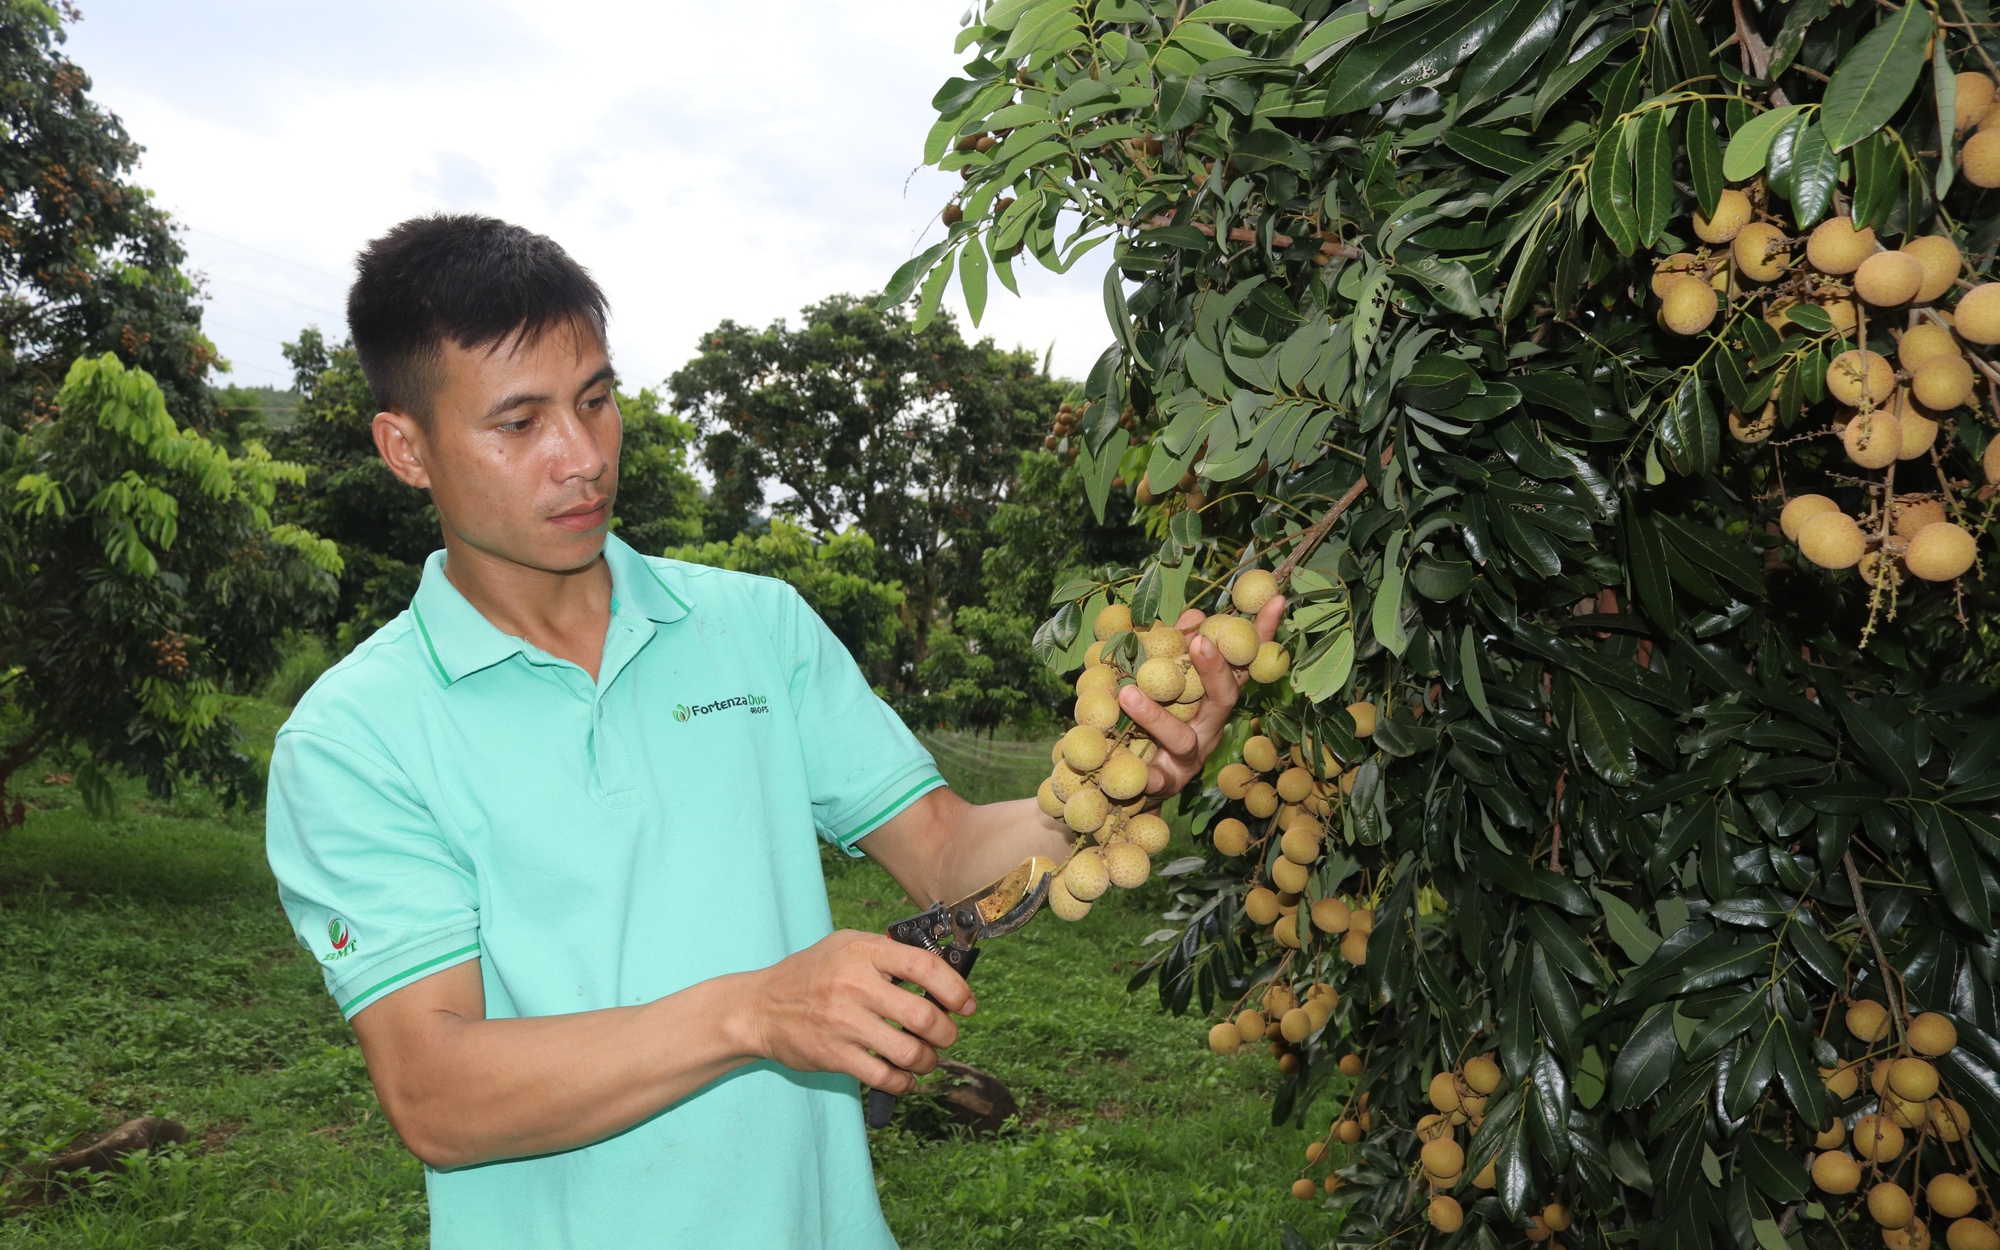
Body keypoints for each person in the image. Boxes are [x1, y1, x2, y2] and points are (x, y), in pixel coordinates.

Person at [264, 213, 1283, 1248]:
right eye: (518, 424)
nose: (580, 457)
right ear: (406, 448)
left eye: (596, 400)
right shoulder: (355, 737)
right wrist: (752, 1010)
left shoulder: (754, 629)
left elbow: (944, 853)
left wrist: (1124, 776)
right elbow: (435, 1093)